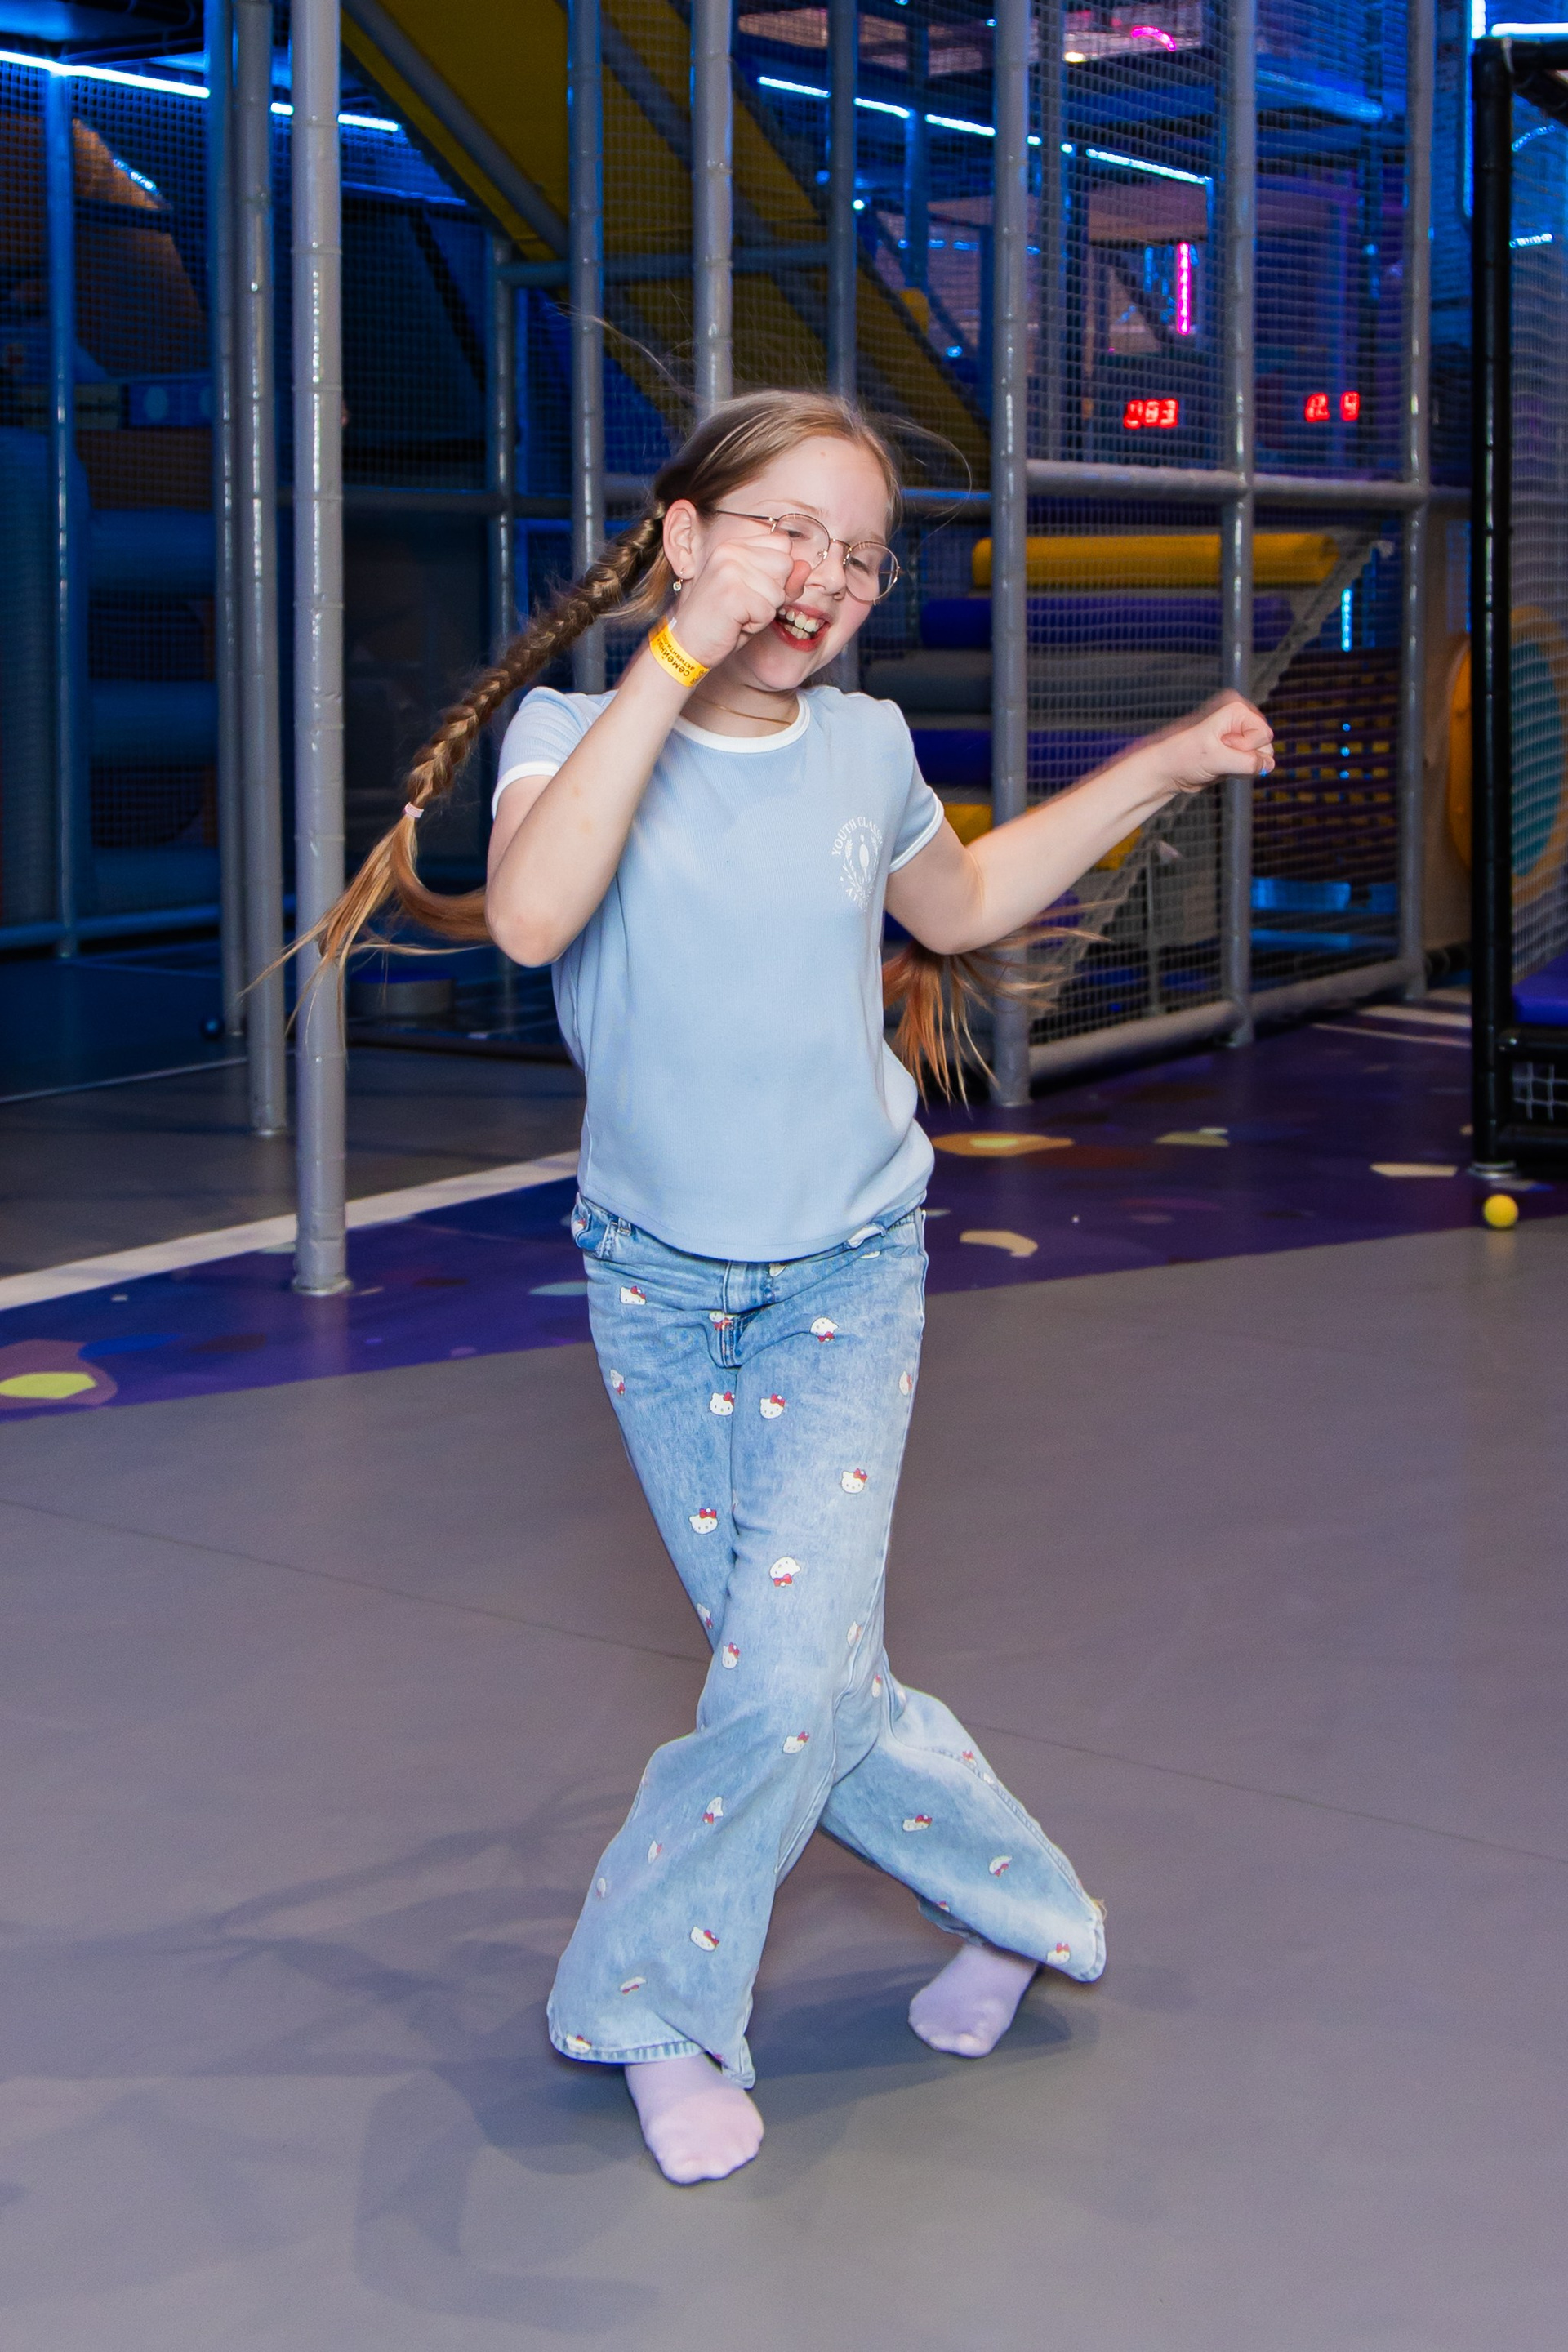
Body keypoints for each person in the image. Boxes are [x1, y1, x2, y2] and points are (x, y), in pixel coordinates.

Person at [311, 390, 1273, 2186]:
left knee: (772, 1686)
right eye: (784, 530)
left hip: (848, 1272)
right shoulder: (574, 735)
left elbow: (963, 906)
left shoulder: (866, 748)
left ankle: (651, 2009)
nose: (822, 573)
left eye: (860, 553)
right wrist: (678, 655)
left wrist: (1164, 765)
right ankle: (1025, 1914)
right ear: (684, 538)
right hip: (655, 1292)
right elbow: (530, 918)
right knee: (812, 1676)